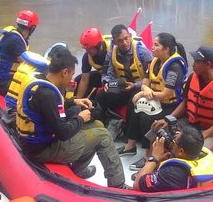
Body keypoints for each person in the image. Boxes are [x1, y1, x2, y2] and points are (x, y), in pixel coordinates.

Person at [15, 46, 128, 188]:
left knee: (98, 125)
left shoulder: (41, 81)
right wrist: (81, 118)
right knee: (103, 135)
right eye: (71, 74)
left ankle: (79, 170)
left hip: (37, 142)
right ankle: (118, 184)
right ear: (65, 72)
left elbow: (49, 110)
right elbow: (63, 132)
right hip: (42, 150)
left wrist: (73, 101)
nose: (71, 78)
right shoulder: (48, 95)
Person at [121, 32, 189, 170]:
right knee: (135, 107)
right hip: (156, 100)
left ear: (166, 49)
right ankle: (130, 145)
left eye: (156, 45)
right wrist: (144, 91)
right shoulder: (155, 61)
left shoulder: (174, 67)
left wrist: (143, 93)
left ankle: (148, 156)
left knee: (147, 117)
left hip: (171, 105)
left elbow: (166, 94)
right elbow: (145, 83)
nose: (152, 47)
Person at [152, 45, 213, 149]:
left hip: (209, 128)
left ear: (208, 64)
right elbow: (185, 103)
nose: (193, 64)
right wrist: (169, 119)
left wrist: (202, 136)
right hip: (190, 122)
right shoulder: (192, 77)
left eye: (197, 62)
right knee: (159, 130)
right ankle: (149, 159)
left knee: (195, 150)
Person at [133, 125, 213, 192]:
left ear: (181, 151)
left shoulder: (171, 173)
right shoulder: (204, 156)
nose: (172, 142)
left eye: (175, 141)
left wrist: (153, 158)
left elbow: (137, 185)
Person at [95, 24, 153, 116]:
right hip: (123, 86)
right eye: (120, 41)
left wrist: (135, 85)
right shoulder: (111, 54)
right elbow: (106, 74)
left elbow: (151, 76)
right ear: (114, 42)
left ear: (130, 36)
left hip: (140, 87)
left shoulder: (143, 53)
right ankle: (104, 120)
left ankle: (128, 128)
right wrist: (107, 83)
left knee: (132, 102)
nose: (125, 43)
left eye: (126, 38)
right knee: (101, 96)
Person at [0, 9, 39, 96]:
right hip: (1, 84)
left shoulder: (15, 36)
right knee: (34, 93)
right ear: (33, 28)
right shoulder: (16, 41)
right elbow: (27, 63)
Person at [75, 27, 112, 99]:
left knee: (96, 97)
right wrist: (78, 100)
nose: (88, 51)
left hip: (117, 77)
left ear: (98, 45)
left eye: (90, 49)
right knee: (78, 80)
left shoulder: (113, 49)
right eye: (86, 49)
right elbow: (84, 80)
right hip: (103, 76)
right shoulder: (87, 56)